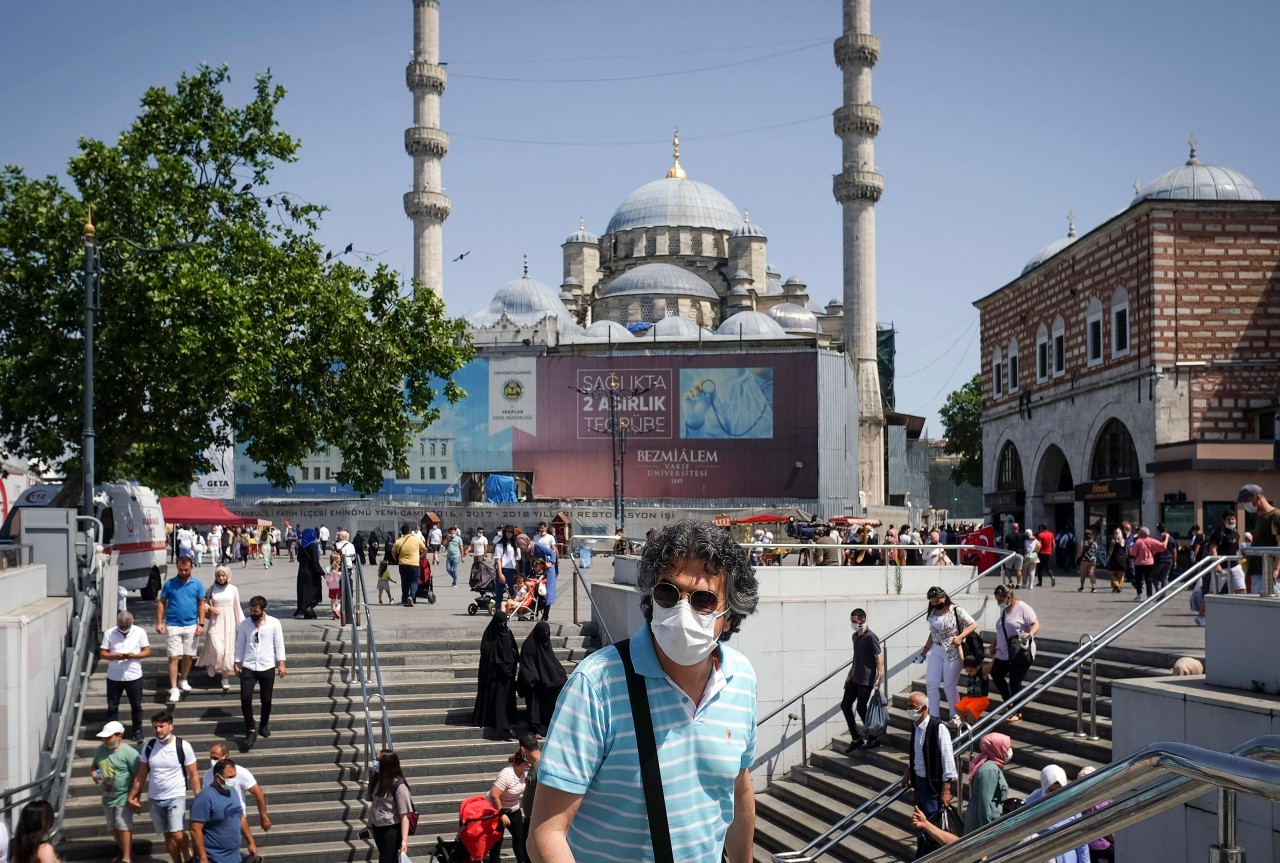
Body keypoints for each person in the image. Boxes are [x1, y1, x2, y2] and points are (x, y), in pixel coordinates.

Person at [531, 519, 759, 863]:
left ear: (729, 616)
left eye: (703, 600)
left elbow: (738, 790)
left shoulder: (741, 677)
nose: (682, 610)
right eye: (668, 592)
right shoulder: (596, 685)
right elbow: (545, 833)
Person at [127, 711, 199, 863]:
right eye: (155, 727)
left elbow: (193, 775)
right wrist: (131, 796)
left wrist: (199, 797)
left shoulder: (183, 746)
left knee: (177, 833)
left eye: (162, 726)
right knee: (167, 835)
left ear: (171, 726)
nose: (158, 730)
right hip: (155, 798)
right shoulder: (149, 746)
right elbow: (141, 775)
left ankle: (187, 852)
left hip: (176, 796)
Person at [899, 692, 957, 860]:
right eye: (908, 706)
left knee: (931, 825)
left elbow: (948, 760)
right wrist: (909, 770)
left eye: (912, 707)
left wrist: (946, 789)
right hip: (920, 785)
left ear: (923, 708)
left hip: (933, 787)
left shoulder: (938, 728)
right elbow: (917, 752)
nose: (909, 710)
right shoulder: (915, 726)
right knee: (920, 825)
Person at [915, 586, 978, 726]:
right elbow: (933, 634)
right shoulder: (932, 613)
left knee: (950, 685)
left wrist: (960, 637)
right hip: (936, 650)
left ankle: (956, 714)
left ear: (944, 597)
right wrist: (924, 651)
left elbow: (973, 624)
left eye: (938, 600)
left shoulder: (956, 610)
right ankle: (934, 715)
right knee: (931, 684)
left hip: (952, 650)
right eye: (933, 601)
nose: (936, 603)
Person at [202, 742, 271, 863]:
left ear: (226, 757)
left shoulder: (240, 773)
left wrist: (263, 816)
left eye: (215, 758)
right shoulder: (208, 774)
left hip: (234, 821)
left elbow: (258, 793)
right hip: (215, 822)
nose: (212, 761)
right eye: (211, 758)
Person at [234, 595, 287, 747]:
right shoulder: (245, 624)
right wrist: (237, 662)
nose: (253, 613)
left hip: (267, 665)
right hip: (249, 666)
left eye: (256, 610)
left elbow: (279, 644)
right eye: (251, 610)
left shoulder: (274, 623)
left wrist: (281, 663)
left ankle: (264, 724)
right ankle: (250, 728)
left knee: (266, 699)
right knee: (245, 698)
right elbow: (240, 644)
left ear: (263, 610)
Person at [156, 555, 207, 704]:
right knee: (173, 657)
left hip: (191, 624)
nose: (183, 572)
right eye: (180, 569)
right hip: (173, 624)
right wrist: (159, 622)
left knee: (188, 655)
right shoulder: (169, 584)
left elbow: (201, 604)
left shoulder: (197, 584)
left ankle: (183, 679)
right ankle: (173, 688)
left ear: (191, 567)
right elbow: (162, 603)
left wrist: (201, 624)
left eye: (186, 569)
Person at [91, 721, 141, 863]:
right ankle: (127, 851)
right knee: (112, 826)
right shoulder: (100, 750)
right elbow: (94, 767)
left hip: (124, 796)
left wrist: (135, 796)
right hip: (107, 796)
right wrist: (96, 776)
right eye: (103, 738)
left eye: (108, 738)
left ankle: (126, 858)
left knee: (123, 825)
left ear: (119, 736)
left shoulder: (130, 753)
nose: (105, 741)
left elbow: (139, 776)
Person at [989, 584, 1038, 723]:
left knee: (1015, 682)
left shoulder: (1023, 608)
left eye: (1000, 600)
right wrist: (994, 644)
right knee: (996, 674)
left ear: (1009, 597)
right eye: (997, 600)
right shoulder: (1004, 611)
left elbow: (1036, 623)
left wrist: (1030, 634)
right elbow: (1002, 629)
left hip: (1020, 651)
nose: (999, 603)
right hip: (1004, 652)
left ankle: (1018, 711)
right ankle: (1009, 703)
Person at [100, 611, 151, 744]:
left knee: (136, 705)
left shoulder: (139, 632)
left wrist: (134, 656)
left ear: (131, 622)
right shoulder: (109, 633)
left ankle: (137, 732)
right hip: (114, 675)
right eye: (121, 626)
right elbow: (103, 653)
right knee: (112, 706)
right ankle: (112, 733)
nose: (123, 629)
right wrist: (114, 656)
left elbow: (147, 651)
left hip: (133, 675)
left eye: (126, 626)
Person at [1024, 765, 1091, 863]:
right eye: (1051, 790)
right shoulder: (1030, 805)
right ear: (1044, 786)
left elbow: (1081, 839)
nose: (1055, 794)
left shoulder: (1072, 804)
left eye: (1059, 790)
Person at [841, 607, 884, 752]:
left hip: (866, 679)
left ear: (863, 620)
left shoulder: (871, 637)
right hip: (854, 677)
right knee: (845, 706)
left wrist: (879, 675)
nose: (852, 623)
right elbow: (856, 657)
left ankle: (873, 738)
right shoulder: (855, 636)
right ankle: (856, 738)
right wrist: (849, 674)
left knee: (861, 707)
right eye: (851, 620)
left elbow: (878, 656)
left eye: (855, 621)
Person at [516, 621, 568, 737]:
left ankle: (549, 725)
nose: (545, 636)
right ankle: (535, 729)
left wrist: (558, 675)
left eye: (547, 633)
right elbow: (527, 666)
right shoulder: (529, 646)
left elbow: (550, 660)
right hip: (534, 683)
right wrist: (535, 679)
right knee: (535, 701)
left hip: (546, 681)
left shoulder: (545, 643)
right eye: (543, 633)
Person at [197, 567, 244, 693]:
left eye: (223, 576)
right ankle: (212, 663)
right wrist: (210, 609)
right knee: (217, 647)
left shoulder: (233, 589)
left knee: (227, 649)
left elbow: (237, 606)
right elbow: (203, 604)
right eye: (219, 576)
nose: (221, 578)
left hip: (229, 622)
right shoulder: (212, 588)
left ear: (228, 576)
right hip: (215, 621)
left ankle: (225, 677)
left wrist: (243, 623)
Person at [473, 610, 519, 739]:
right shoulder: (490, 634)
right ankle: (501, 724)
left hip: (506, 675)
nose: (503, 625)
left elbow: (514, 650)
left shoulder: (507, 633)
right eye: (501, 623)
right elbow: (485, 651)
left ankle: (505, 722)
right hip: (493, 675)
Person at [364, 750, 414, 863]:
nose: (375, 762)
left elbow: (405, 816)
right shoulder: (377, 781)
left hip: (391, 829)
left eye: (378, 760)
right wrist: (368, 825)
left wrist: (404, 840)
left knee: (386, 859)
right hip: (377, 828)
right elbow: (375, 805)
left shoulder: (399, 787)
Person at [190, 758, 244, 863]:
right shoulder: (205, 798)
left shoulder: (233, 792)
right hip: (213, 859)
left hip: (234, 858)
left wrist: (251, 841)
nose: (233, 779)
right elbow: (195, 829)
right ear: (217, 777)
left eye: (234, 776)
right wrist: (203, 857)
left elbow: (240, 816)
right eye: (230, 777)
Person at [488, 747, 534, 863]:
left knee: (519, 838)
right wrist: (501, 814)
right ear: (523, 763)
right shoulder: (506, 775)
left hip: (513, 808)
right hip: (497, 809)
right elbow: (494, 795)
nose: (530, 766)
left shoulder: (525, 772)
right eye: (528, 764)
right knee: (497, 840)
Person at [964, 732, 1011, 834]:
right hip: (982, 825)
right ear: (997, 748)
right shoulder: (990, 770)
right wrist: (988, 831)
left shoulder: (990, 766)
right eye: (1006, 747)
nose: (1009, 750)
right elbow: (985, 804)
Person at [1238, 483, 1280, 594]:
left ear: (1257, 498)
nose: (1245, 506)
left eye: (1246, 502)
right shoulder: (1261, 518)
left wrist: (1275, 570)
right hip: (1257, 574)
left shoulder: (1275, 516)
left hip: (1269, 575)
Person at [1207, 510, 1246, 596]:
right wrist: (1217, 564)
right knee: (1212, 594)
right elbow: (1212, 548)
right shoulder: (1219, 532)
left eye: (1233, 519)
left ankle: (1242, 609)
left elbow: (1235, 549)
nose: (1231, 521)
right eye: (1228, 519)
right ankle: (1204, 609)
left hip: (1235, 566)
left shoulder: (1236, 533)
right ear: (1224, 521)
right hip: (1221, 567)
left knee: (1241, 590)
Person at [391, 522, 427, 608]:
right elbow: (424, 549)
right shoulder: (416, 540)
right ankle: (411, 596)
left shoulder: (398, 541)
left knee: (404, 582)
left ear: (402, 532)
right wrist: (424, 557)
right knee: (414, 581)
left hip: (402, 564)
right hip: (414, 564)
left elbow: (392, 551)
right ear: (410, 531)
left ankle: (404, 598)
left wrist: (396, 559)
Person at [1128, 526, 1166, 601]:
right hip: (1149, 563)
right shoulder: (1152, 541)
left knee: (1138, 579)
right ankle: (1149, 596)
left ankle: (1139, 595)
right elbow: (1163, 546)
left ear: (1141, 533)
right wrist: (1167, 538)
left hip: (1139, 563)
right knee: (1148, 579)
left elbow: (1133, 553)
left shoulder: (1138, 541)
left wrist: (1130, 549)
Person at [293, 528, 324, 619]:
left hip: (302, 571)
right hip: (312, 572)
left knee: (304, 591)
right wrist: (322, 572)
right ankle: (309, 608)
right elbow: (315, 561)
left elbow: (298, 559)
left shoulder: (301, 546)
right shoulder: (313, 546)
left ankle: (306, 611)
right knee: (314, 591)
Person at [955, 653, 991, 724]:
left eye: (971, 671)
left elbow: (989, 666)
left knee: (969, 709)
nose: (969, 673)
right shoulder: (970, 673)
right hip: (969, 698)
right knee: (957, 707)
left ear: (977, 667)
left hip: (981, 698)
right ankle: (965, 724)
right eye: (967, 671)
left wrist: (996, 655)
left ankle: (973, 725)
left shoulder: (982, 672)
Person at [494, 526, 522, 610]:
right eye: (507, 532)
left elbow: (517, 561)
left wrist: (518, 574)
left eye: (510, 532)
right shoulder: (499, 545)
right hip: (502, 570)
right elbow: (498, 560)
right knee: (499, 592)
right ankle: (498, 610)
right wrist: (500, 574)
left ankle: (510, 610)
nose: (509, 534)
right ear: (504, 533)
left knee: (512, 592)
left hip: (512, 571)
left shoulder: (516, 546)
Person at [533, 541, 559, 621]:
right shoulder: (535, 539)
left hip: (546, 567)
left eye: (542, 527)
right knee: (535, 596)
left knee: (547, 596)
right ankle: (535, 613)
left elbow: (553, 551)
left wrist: (552, 562)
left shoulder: (549, 538)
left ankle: (545, 615)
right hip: (539, 565)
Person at [1105, 527, 1128, 593]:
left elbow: (1110, 551)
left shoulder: (1113, 541)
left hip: (1114, 559)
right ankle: (1117, 587)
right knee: (1120, 575)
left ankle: (1116, 585)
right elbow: (1126, 551)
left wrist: (1107, 559)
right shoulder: (1124, 541)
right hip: (1122, 559)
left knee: (1111, 574)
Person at [325, 552, 344, 619]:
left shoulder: (328, 568)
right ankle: (337, 609)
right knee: (342, 600)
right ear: (337, 560)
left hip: (331, 587)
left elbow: (327, 577)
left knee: (333, 600)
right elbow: (340, 577)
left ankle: (333, 613)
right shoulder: (339, 568)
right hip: (338, 586)